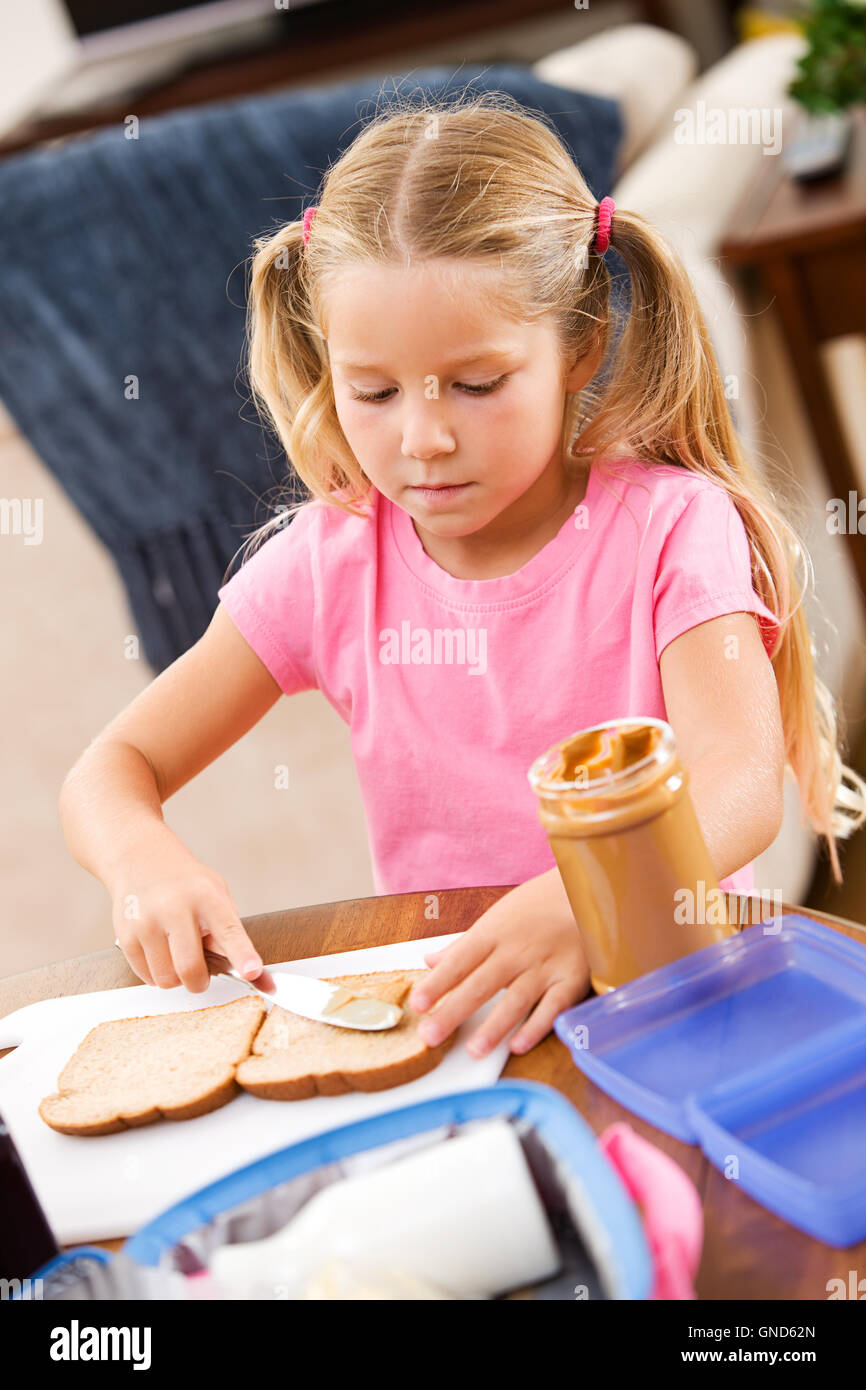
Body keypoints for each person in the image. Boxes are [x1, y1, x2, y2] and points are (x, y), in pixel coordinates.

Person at [59, 92, 866, 1060]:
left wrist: (587, 897)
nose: (424, 438)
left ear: (579, 348)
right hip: (463, 1024)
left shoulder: (670, 527)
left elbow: (736, 782)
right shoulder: (326, 565)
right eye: (373, 391)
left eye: (477, 385)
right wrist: (142, 863)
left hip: (665, 1000)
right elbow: (111, 770)